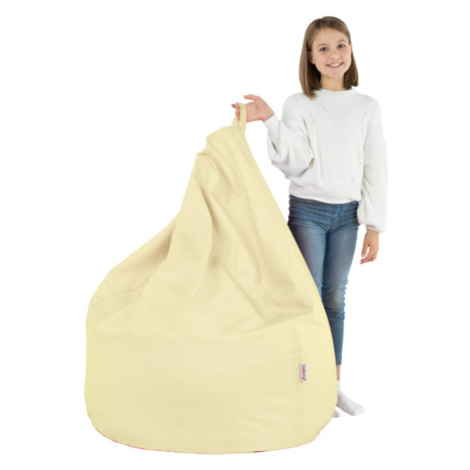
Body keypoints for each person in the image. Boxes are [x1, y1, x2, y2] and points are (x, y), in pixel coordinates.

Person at [231, 16, 388, 418]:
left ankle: (332, 387)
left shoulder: (366, 107)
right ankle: (306, 384)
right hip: (308, 213)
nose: (334, 54)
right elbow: (294, 161)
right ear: (311, 57)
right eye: (324, 48)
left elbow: (375, 165)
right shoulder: (299, 104)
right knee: (306, 296)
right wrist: (270, 119)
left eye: (341, 45)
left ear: (351, 50)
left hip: (347, 216)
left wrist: (374, 225)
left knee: (334, 298)